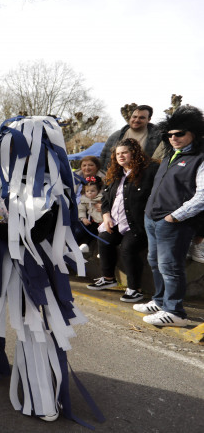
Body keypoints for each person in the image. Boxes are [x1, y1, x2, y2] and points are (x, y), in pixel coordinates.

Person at [0, 116, 92, 424]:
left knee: (32, 324)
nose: (7, 152)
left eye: (14, 146)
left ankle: (43, 398)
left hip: (29, 267)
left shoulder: (53, 185)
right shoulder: (2, 170)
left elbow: (38, 233)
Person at [137, 105, 204, 326]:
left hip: (174, 222)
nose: (173, 137)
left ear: (193, 132)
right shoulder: (169, 155)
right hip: (153, 218)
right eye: (170, 134)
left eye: (180, 133)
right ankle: (160, 301)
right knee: (155, 262)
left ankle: (175, 312)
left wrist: (175, 217)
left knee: (171, 266)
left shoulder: (199, 158)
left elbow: (202, 196)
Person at [86, 139, 157, 304]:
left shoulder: (150, 171)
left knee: (128, 248)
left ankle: (134, 289)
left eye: (124, 152)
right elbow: (105, 198)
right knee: (104, 239)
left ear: (134, 153)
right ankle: (109, 278)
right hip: (116, 221)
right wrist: (106, 215)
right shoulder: (115, 172)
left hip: (138, 224)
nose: (120, 156)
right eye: (118, 154)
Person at [98, 105, 161, 170]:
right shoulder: (116, 136)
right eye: (134, 117)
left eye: (141, 118)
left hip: (143, 177)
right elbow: (103, 157)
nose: (137, 120)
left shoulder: (157, 138)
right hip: (115, 177)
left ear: (149, 119)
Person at [75, 176, 103, 253]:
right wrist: (83, 218)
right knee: (87, 232)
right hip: (91, 220)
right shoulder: (84, 199)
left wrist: (103, 206)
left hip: (102, 221)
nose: (90, 193)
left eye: (93, 191)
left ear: (98, 191)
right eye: (87, 191)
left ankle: (100, 251)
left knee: (102, 235)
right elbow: (81, 209)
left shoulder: (102, 199)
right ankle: (84, 245)